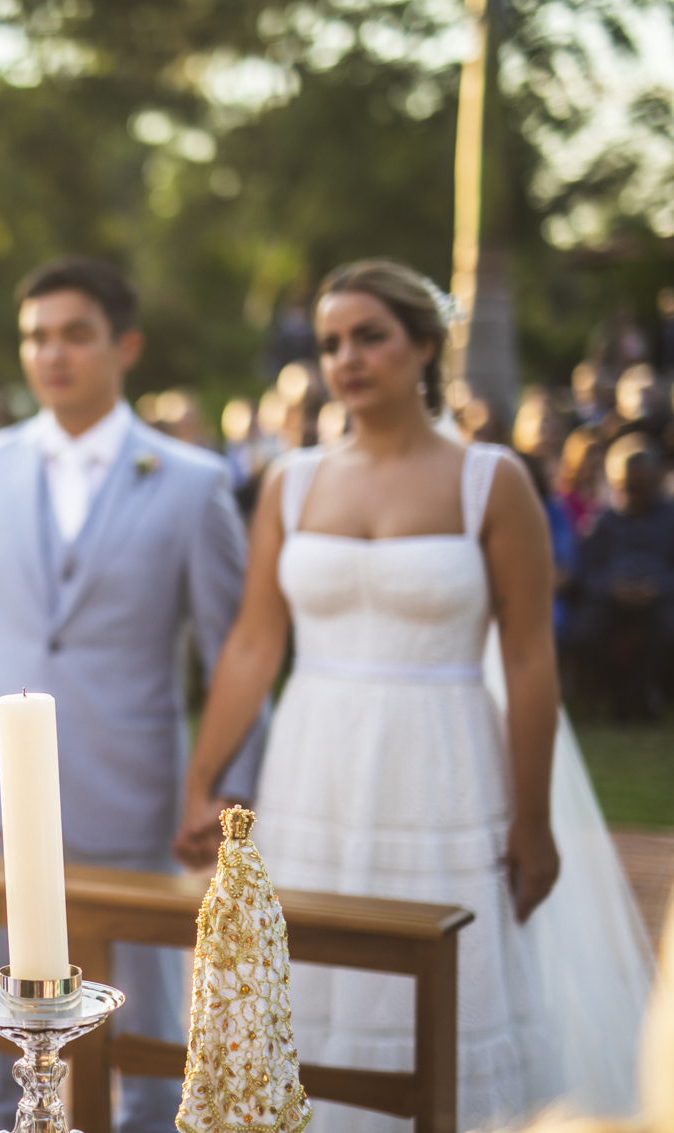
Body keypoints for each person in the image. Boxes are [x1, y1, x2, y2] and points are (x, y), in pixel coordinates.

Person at [174, 259, 650, 1132]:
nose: (346, 358)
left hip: (442, 762)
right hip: (313, 764)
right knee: (306, 981)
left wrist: (534, 817)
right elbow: (252, 643)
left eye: (369, 336)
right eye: (329, 343)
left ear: (423, 346)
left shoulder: (491, 480)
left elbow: (533, 657)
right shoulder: (293, 479)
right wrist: (203, 779)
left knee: (442, 981)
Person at [0, 256, 267, 1133]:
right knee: (2, 1023)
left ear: (124, 345)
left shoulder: (191, 481)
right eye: (36, 336)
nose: (52, 354)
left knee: (143, 1034)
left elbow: (238, 649)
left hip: (135, 797)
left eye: (75, 333)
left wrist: (219, 788)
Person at [571, 434, 674, 719]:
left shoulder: (670, 517)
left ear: (655, 481)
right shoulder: (601, 519)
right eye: (625, 487)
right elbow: (586, 569)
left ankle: (638, 694)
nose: (632, 495)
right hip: (610, 597)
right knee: (584, 634)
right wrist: (612, 588)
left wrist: (659, 587)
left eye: (640, 488)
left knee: (669, 631)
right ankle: (625, 692)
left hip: (661, 597)